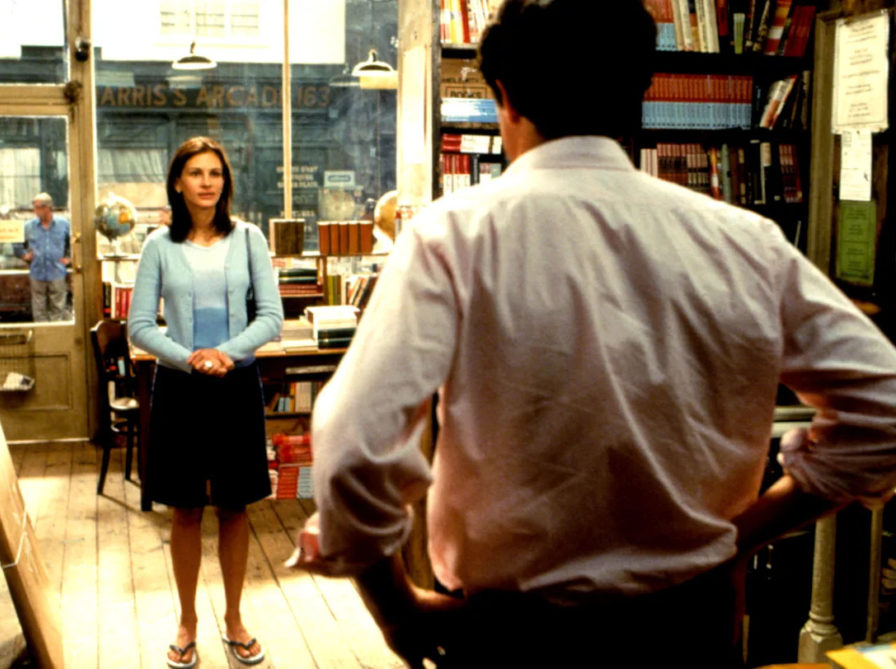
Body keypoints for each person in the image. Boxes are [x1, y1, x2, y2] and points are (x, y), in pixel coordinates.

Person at [290, 1, 896, 666]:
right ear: (641, 90)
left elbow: (351, 446)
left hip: (512, 639)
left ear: (505, 96)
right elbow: (887, 407)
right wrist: (739, 534)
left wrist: (397, 611)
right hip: (689, 630)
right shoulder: (746, 242)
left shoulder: (452, 236)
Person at [127, 136, 282, 668]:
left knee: (235, 506)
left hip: (236, 386)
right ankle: (187, 621)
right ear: (178, 182)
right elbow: (140, 327)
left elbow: (271, 318)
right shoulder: (158, 245)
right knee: (186, 508)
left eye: (215, 172)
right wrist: (191, 357)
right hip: (180, 387)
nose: (207, 182)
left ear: (225, 182)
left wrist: (225, 354)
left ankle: (235, 618)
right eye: (196, 172)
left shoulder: (250, 239)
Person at [16, 192, 71, 321]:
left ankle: (55, 338)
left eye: (38, 207)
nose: (35, 211)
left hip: (57, 272)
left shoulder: (63, 225)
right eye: (34, 207)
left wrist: (69, 258)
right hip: (37, 273)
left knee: (57, 309)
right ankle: (43, 339)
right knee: (39, 310)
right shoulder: (29, 226)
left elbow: (74, 242)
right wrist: (24, 255)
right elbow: (17, 244)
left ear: (48, 207)